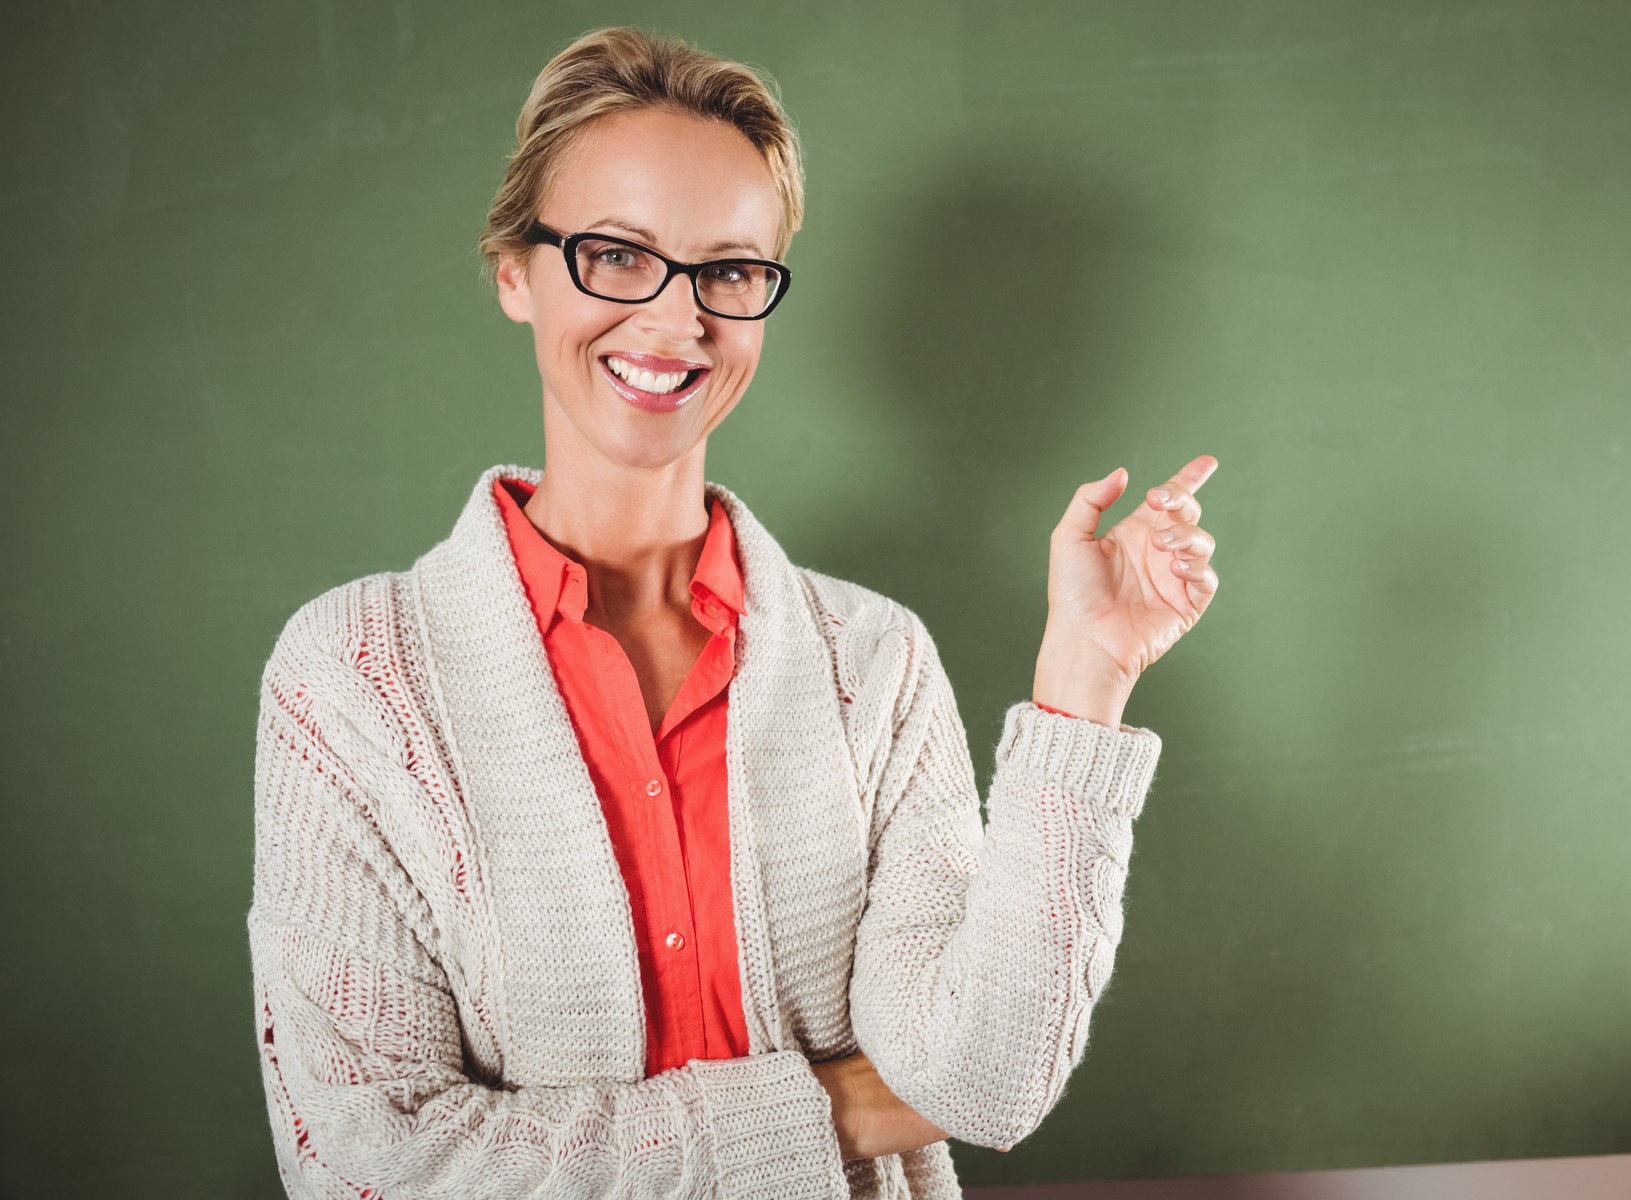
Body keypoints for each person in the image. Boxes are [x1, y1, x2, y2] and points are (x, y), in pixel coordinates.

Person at [248, 25, 1221, 1200]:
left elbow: (985, 1079)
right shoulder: (351, 677)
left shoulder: (876, 660)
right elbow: (374, 1166)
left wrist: (1089, 675)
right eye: (615, 254)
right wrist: (832, 1104)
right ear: (515, 271)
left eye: (729, 270)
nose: (675, 319)